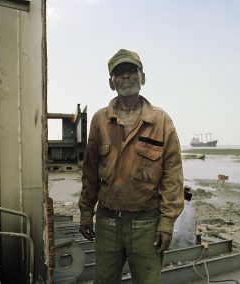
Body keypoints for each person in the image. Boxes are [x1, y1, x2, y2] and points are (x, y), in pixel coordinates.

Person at [78, 48, 184, 283]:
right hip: (106, 222)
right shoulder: (100, 120)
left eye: (131, 71)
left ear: (142, 78)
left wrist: (166, 221)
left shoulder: (160, 121)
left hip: (146, 224)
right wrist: (86, 211)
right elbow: (90, 171)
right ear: (111, 82)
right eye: (119, 73)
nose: (125, 77)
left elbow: (172, 174)